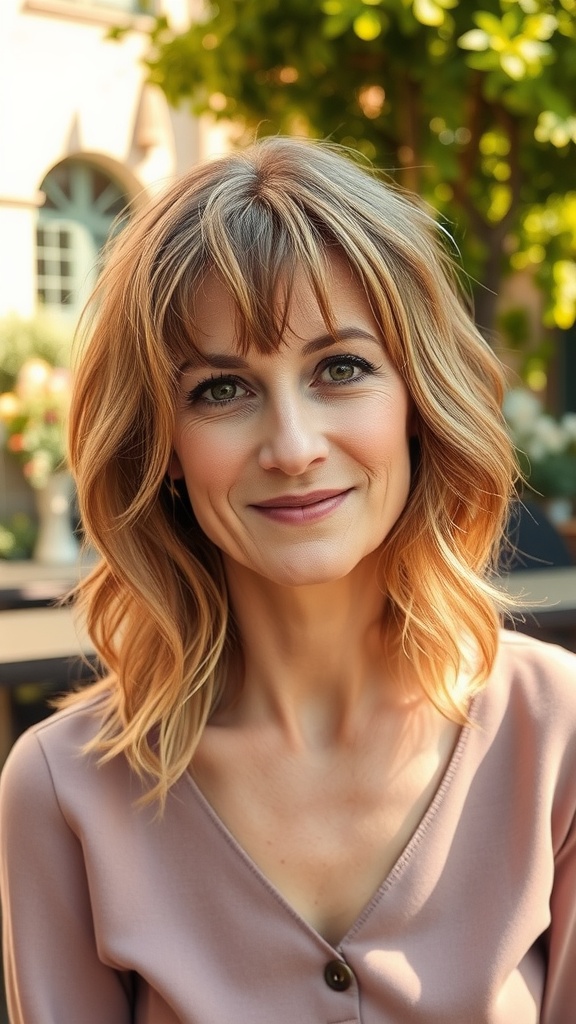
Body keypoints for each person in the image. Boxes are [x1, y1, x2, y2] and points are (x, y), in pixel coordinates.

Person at [1, 136, 575, 1024]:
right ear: (165, 453)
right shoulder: (60, 790)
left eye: (341, 369)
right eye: (222, 391)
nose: (294, 448)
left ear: (418, 403)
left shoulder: (558, 735)